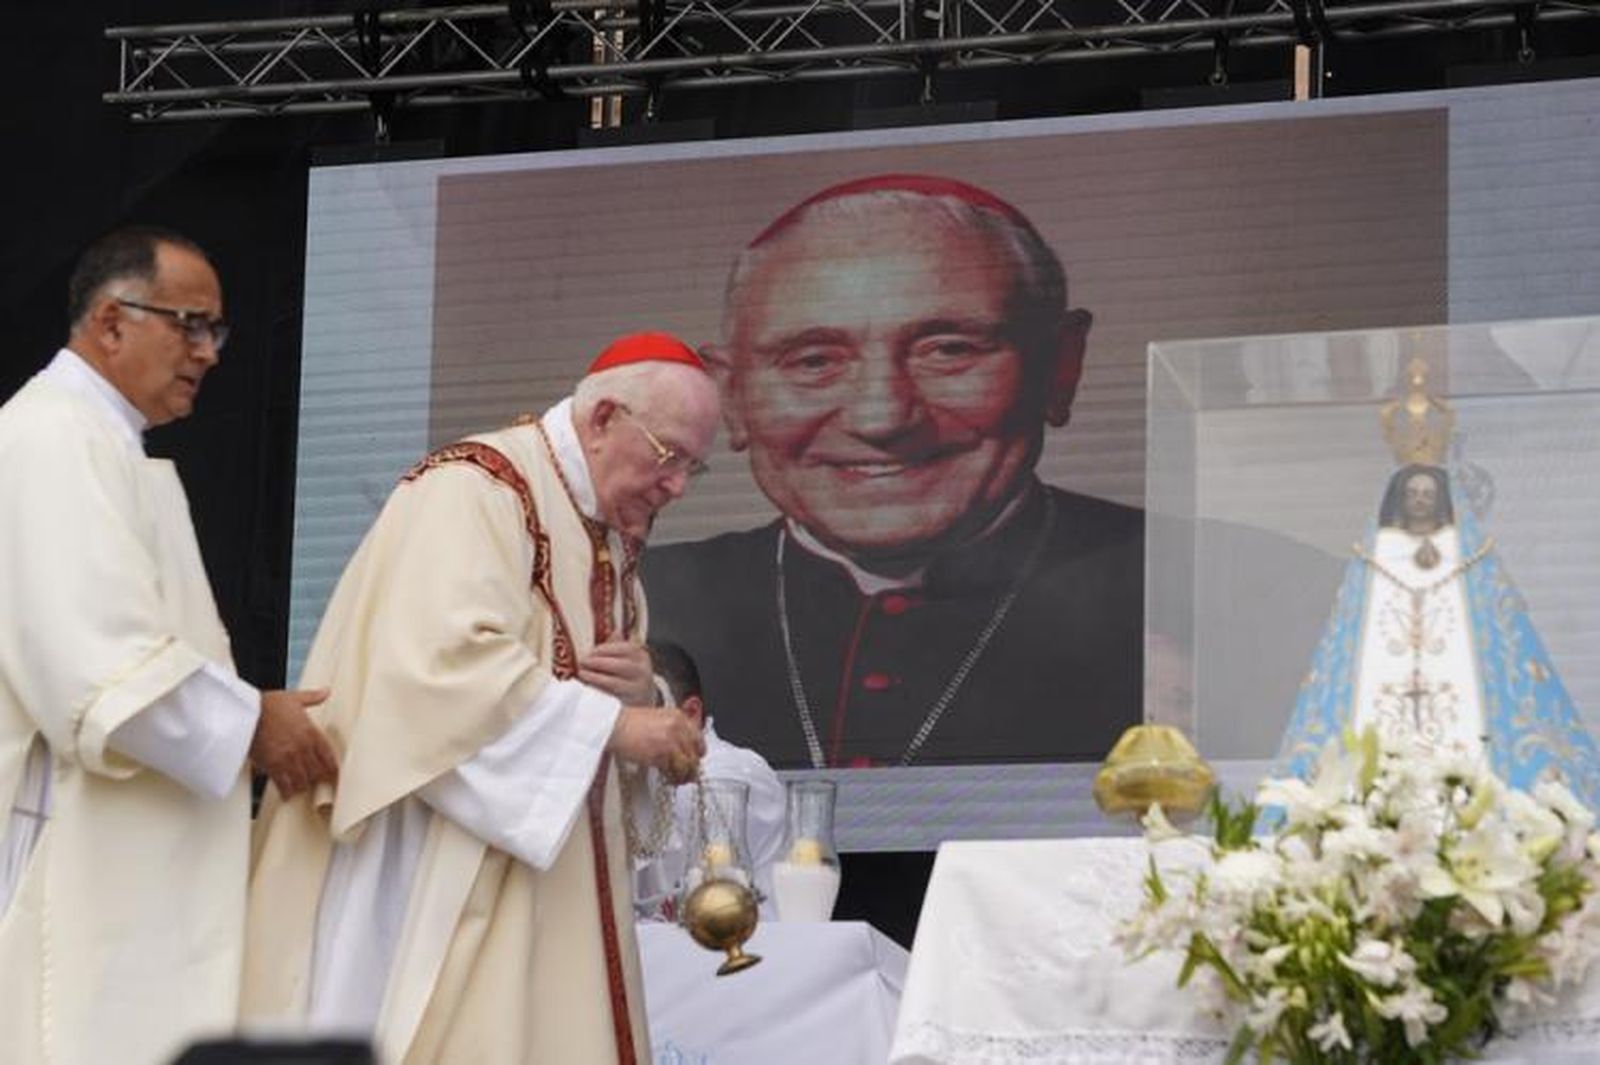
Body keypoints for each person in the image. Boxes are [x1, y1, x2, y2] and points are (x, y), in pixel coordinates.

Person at [242, 332, 718, 1065]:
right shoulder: (477, 487)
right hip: (431, 859)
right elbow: (439, 667)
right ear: (603, 419)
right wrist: (616, 725)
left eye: (696, 466)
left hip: (544, 877)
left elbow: (588, 709)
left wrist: (639, 690)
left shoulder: (612, 544)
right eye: (669, 455)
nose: (678, 486)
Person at [643, 174, 1143, 768]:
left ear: (1061, 366)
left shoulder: (1201, 583)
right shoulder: (637, 601)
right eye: (814, 360)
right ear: (730, 394)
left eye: (948, 349)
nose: (881, 418)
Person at [0, 226, 339, 1065]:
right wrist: (254, 722)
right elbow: (100, 668)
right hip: (68, 838)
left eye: (214, 330)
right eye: (190, 325)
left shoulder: (102, 440)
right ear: (112, 323)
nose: (209, 352)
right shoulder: (51, 437)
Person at [1277, 375, 1600, 806]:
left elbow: (1499, 628)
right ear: (1399, 497)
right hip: (1385, 679)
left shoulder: (1467, 552)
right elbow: (1349, 634)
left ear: (1443, 498)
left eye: (1429, 492)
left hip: (1458, 682)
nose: (1421, 500)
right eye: (1413, 492)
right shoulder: (1378, 551)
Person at [637, 640, 785, 919]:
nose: (633, 729)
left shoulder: (736, 770)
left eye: (643, 712)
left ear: (691, 714)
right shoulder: (636, 779)